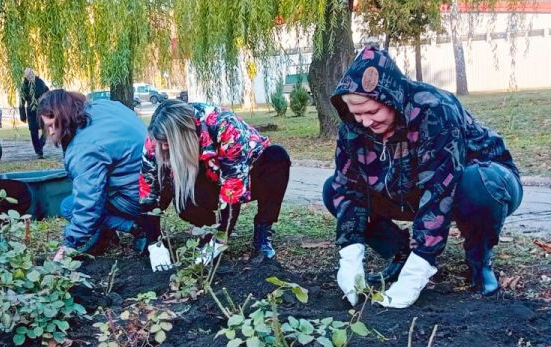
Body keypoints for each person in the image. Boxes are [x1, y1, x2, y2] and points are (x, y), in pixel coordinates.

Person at [324, 45, 521, 308]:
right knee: (332, 191)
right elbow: (348, 189)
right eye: (357, 114)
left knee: (478, 182)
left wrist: (419, 270)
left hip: (482, 183)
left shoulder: (434, 109)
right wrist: (350, 256)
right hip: (408, 191)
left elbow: (441, 188)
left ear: (391, 99)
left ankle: (479, 260)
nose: (365, 122)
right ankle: (400, 252)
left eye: (372, 112)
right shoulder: (352, 126)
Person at [139, 100, 292, 267]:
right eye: (160, 143)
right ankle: (208, 230)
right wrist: (154, 243)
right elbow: (148, 190)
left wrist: (220, 240)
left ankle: (262, 233)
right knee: (185, 205)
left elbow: (233, 189)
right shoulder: (157, 138)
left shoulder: (225, 125)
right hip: (206, 177)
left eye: (167, 144)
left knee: (277, 157)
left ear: (183, 135)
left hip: (247, 174)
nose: (162, 147)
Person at [37, 90, 152, 257]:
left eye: (52, 125)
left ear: (64, 116)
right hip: (156, 188)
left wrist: (69, 244)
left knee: (69, 206)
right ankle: (107, 233)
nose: (51, 133)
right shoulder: (103, 107)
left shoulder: (84, 147)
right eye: (47, 126)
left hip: (137, 198)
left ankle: (136, 226)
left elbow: (88, 204)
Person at [20, 68, 50, 159]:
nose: (30, 76)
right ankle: (39, 151)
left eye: (31, 74)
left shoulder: (40, 82)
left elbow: (47, 93)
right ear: (25, 76)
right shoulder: (24, 86)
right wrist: (22, 115)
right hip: (31, 111)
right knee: (33, 131)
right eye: (28, 75)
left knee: (45, 128)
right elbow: (21, 101)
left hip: (42, 109)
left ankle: (41, 144)